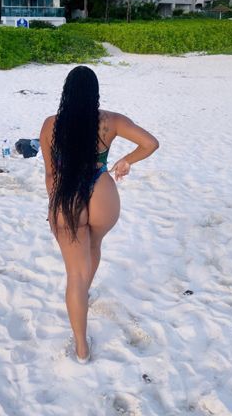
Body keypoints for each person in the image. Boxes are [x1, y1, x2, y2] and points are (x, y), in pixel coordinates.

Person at [39, 65, 159, 363]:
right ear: (95, 93)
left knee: (75, 274)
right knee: (94, 246)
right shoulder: (111, 121)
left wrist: (57, 204)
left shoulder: (50, 125)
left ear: (66, 93)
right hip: (100, 190)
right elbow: (150, 143)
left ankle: (81, 348)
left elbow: (50, 174)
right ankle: (84, 296)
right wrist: (125, 160)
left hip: (67, 196)